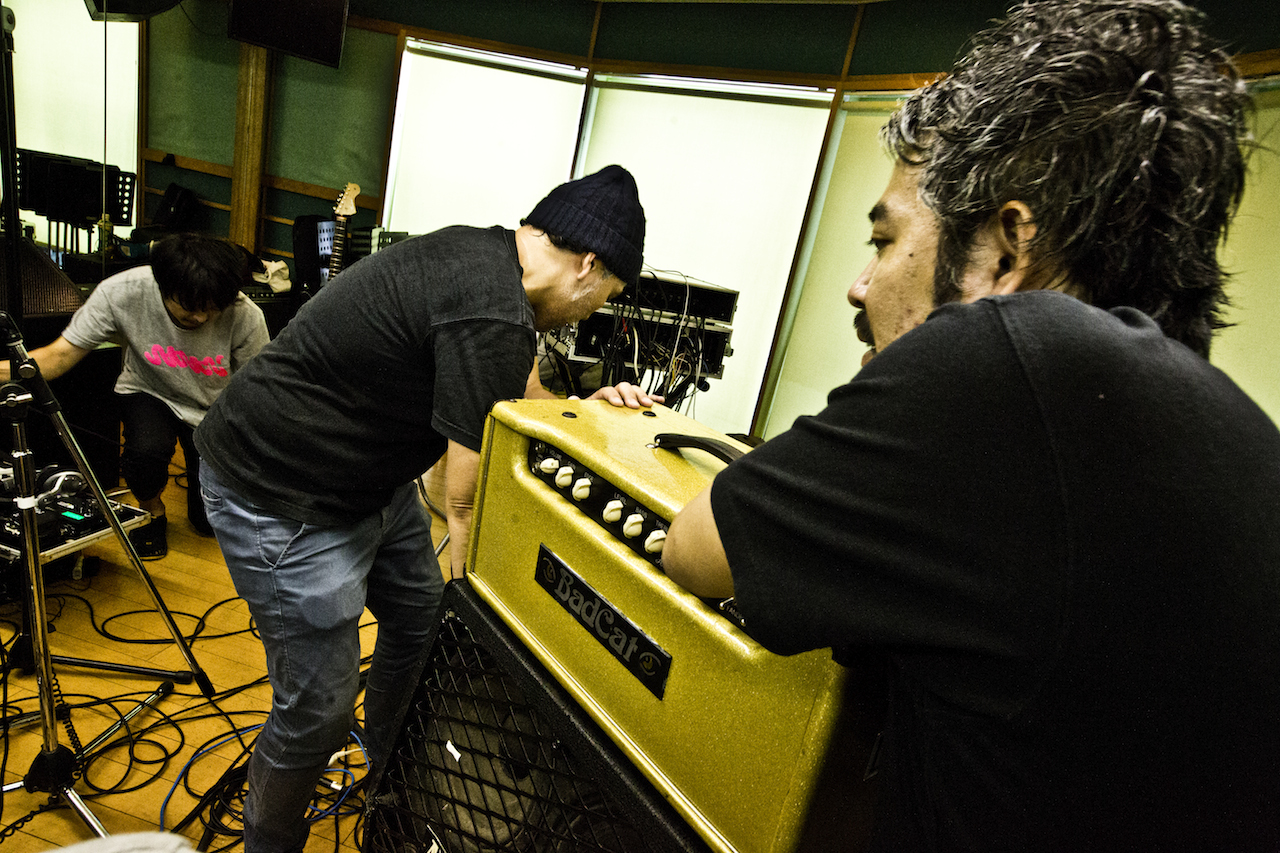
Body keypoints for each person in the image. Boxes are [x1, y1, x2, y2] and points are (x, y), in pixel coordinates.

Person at [663, 2, 1280, 851]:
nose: (859, 285)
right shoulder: (1210, 422)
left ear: (1005, 251)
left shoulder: (1014, 359)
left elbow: (696, 547)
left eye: (885, 240)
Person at [193, 165, 659, 853]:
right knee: (317, 709)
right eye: (605, 298)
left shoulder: (489, 259)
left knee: (418, 627)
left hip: (369, 484)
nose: (592, 313)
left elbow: (519, 392)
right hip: (281, 491)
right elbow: (460, 502)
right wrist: (483, 623)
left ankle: (393, 788)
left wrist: (582, 411)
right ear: (588, 265)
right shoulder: (493, 309)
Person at [0, 232, 268, 559]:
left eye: (211, 310)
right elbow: (59, 355)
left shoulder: (245, 314)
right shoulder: (123, 292)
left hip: (215, 405)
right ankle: (153, 513)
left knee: (207, 521)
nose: (200, 318)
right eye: (189, 309)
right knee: (146, 453)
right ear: (162, 287)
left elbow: (257, 391)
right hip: (149, 389)